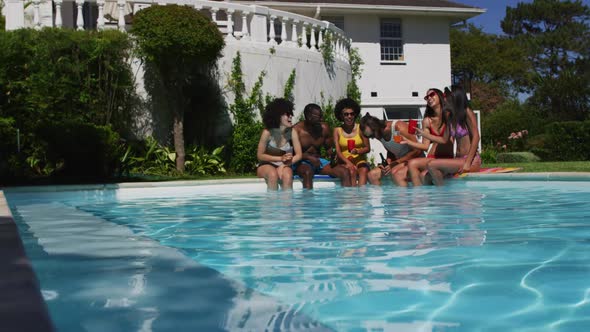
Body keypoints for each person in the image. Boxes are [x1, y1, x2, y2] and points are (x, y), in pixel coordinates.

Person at [426, 85, 481, 185]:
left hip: (470, 160)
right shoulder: (450, 117)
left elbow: (476, 137)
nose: (444, 98)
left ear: (454, 97)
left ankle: (442, 194)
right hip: (457, 159)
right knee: (425, 176)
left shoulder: (467, 112)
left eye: (446, 96)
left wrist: (468, 163)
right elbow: (443, 139)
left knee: (432, 165)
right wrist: (424, 134)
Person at [400, 88, 454, 186]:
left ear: (440, 96)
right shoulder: (427, 121)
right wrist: (408, 142)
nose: (429, 98)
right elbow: (425, 146)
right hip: (432, 157)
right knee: (412, 164)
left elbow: (445, 140)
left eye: (432, 95)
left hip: (447, 158)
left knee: (423, 174)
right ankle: (419, 196)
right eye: (426, 97)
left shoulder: (449, 116)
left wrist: (425, 134)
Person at [292, 104, 352, 189]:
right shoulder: (296, 130)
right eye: (319, 117)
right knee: (307, 172)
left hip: (319, 162)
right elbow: (291, 154)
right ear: (309, 116)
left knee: (344, 171)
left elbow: (331, 148)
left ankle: (347, 200)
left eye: (321, 116)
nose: (322, 119)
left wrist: (334, 158)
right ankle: (308, 201)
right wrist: (309, 157)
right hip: (301, 162)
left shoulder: (324, 128)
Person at [360, 114, 422, 186]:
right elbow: (391, 150)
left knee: (395, 173)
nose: (374, 137)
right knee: (372, 175)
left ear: (376, 127)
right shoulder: (379, 135)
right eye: (370, 136)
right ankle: (386, 196)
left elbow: (417, 150)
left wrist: (396, 162)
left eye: (373, 134)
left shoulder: (398, 128)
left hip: (415, 159)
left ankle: (404, 196)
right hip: (400, 161)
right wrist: (388, 162)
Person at [256, 98, 303, 190]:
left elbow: (299, 155)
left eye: (291, 114)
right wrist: (280, 158)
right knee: (272, 174)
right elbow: (260, 156)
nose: (290, 117)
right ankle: (272, 203)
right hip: (265, 165)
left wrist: (284, 164)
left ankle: (286, 204)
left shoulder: (292, 132)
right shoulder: (267, 133)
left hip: (284, 164)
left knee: (288, 175)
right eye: (287, 114)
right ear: (277, 116)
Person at [333, 98, 371, 186]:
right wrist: (349, 163)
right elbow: (338, 152)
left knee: (364, 170)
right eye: (346, 114)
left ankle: (362, 195)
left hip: (359, 160)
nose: (349, 116)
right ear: (341, 116)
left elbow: (367, 148)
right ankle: (352, 196)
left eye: (352, 114)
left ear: (355, 115)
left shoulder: (361, 128)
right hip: (344, 161)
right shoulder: (337, 131)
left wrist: (357, 151)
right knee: (351, 170)